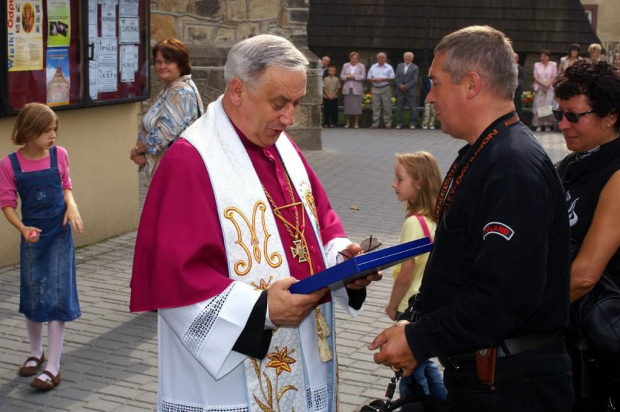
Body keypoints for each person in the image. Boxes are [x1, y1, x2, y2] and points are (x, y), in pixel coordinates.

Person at [129, 34, 381, 412]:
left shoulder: (282, 147)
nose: (290, 118)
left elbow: (318, 225)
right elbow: (179, 280)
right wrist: (261, 309)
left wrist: (343, 262)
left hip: (306, 356)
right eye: (279, 103)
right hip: (230, 382)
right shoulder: (190, 160)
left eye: (296, 103)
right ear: (237, 91)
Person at [369, 25, 573, 411]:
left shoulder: (511, 166)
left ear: (471, 84)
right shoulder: (486, 150)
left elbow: (505, 297)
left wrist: (419, 339)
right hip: (487, 377)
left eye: (435, 83)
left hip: (511, 387)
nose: (429, 96)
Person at [0, 103, 84, 391]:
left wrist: (71, 206)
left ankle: (53, 366)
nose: (53, 136)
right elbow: (7, 204)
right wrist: (23, 229)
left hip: (60, 235)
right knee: (34, 296)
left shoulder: (59, 156)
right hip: (33, 239)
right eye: (47, 130)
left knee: (58, 297)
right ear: (30, 130)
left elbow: (67, 186)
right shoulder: (9, 164)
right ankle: (36, 353)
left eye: (54, 130)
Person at [554, 59, 620, 411]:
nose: (563, 124)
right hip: (565, 342)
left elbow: (584, 276)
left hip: (596, 350)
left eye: (574, 115)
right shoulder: (570, 165)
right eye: (559, 114)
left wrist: (519, 315)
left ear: (610, 116)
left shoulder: (617, 172)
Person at [385, 151, 446, 401]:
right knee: (422, 363)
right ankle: (442, 402)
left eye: (400, 179)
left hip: (409, 308)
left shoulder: (413, 223)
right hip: (428, 306)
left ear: (419, 183)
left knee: (409, 372)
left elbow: (405, 275)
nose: (394, 184)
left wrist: (391, 306)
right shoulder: (437, 219)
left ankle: (424, 405)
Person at [129, 38, 203, 184]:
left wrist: (138, 150)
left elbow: (162, 134)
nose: (162, 66)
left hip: (176, 173)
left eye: (168, 62)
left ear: (180, 64)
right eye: (158, 62)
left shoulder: (181, 92)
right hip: (168, 170)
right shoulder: (170, 89)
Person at [367, 52, 395, 128]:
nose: (381, 59)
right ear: (377, 59)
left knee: (387, 106)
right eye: (379, 57)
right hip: (375, 88)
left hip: (385, 87)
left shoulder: (389, 67)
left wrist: (384, 79)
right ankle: (375, 124)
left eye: (382, 57)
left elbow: (392, 77)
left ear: (385, 59)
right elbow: (369, 77)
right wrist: (374, 79)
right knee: (375, 106)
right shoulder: (373, 67)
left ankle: (388, 123)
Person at [532, 49, 558, 132]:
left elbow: (554, 76)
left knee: (548, 105)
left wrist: (548, 84)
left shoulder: (553, 64)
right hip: (540, 88)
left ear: (548, 57)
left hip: (550, 88)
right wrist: (543, 85)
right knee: (539, 106)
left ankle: (547, 125)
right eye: (542, 56)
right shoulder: (537, 65)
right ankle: (539, 125)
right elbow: (535, 77)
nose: (543, 57)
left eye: (545, 56)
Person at [340, 51, 366, 129]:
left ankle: (356, 122)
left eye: (355, 58)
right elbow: (341, 76)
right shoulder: (345, 65)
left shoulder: (361, 66)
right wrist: (347, 76)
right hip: (348, 88)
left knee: (357, 106)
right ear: (350, 58)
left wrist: (354, 77)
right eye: (352, 58)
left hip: (357, 89)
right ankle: (347, 122)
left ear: (358, 59)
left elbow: (363, 76)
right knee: (348, 106)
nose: (354, 60)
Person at [394, 52, 419, 130]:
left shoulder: (415, 67)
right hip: (400, 90)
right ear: (404, 58)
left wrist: (406, 86)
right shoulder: (399, 66)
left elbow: (414, 80)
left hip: (410, 91)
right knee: (400, 108)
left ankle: (412, 123)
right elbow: (396, 77)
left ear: (412, 59)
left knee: (412, 108)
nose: (408, 58)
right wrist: (400, 85)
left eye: (409, 57)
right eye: (406, 57)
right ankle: (399, 123)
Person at [513, 53, 525, 120]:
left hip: (517, 90)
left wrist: (514, 86)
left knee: (518, 107)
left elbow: (521, 79)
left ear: (517, 59)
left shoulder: (521, 69)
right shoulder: (506, 68)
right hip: (508, 91)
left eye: (514, 57)